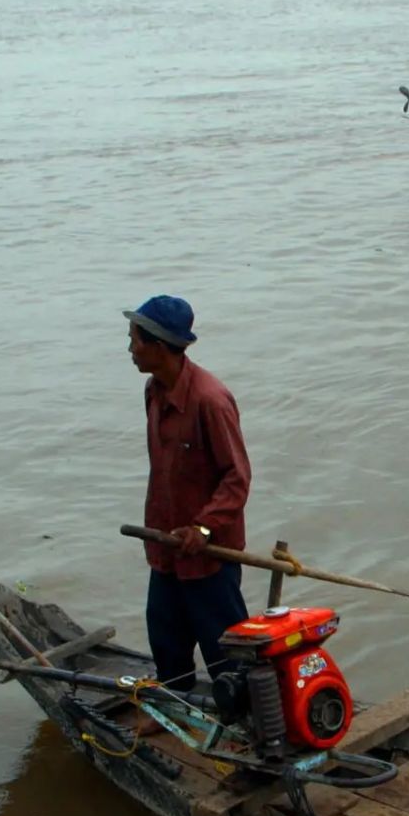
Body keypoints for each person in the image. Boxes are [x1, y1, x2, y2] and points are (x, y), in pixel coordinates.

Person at [125, 294, 252, 692]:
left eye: (134, 340)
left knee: (228, 655)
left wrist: (205, 529)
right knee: (166, 640)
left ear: (159, 347)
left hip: (209, 557)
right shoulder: (153, 391)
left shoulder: (210, 401)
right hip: (166, 546)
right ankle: (173, 711)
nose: (129, 349)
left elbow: (237, 477)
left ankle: (245, 723)